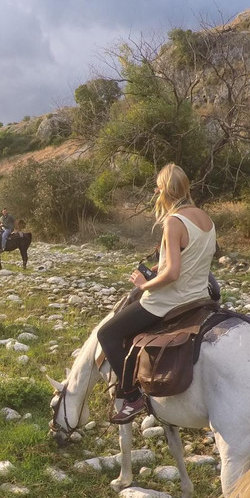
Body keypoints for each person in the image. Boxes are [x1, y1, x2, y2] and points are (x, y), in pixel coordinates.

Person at [97, 163, 216, 423]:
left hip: (168, 301)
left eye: (157, 186)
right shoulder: (205, 218)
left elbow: (173, 273)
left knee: (107, 333)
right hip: (198, 298)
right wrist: (158, 267)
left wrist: (143, 284)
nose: (155, 190)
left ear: (165, 190)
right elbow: (192, 258)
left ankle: (131, 395)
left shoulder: (173, 222)